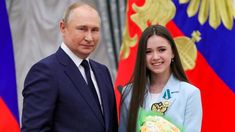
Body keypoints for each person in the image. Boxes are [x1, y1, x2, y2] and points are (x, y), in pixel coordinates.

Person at [21, 2, 118, 132]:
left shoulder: (102, 72)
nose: (89, 37)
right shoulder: (45, 72)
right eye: (82, 29)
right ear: (63, 27)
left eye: (94, 30)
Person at [119, 25, 202, 132]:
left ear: (172, 53)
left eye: (161, 50)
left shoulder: (190, 93)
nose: (155, 57)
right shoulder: (129, 92)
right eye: (148, 52)